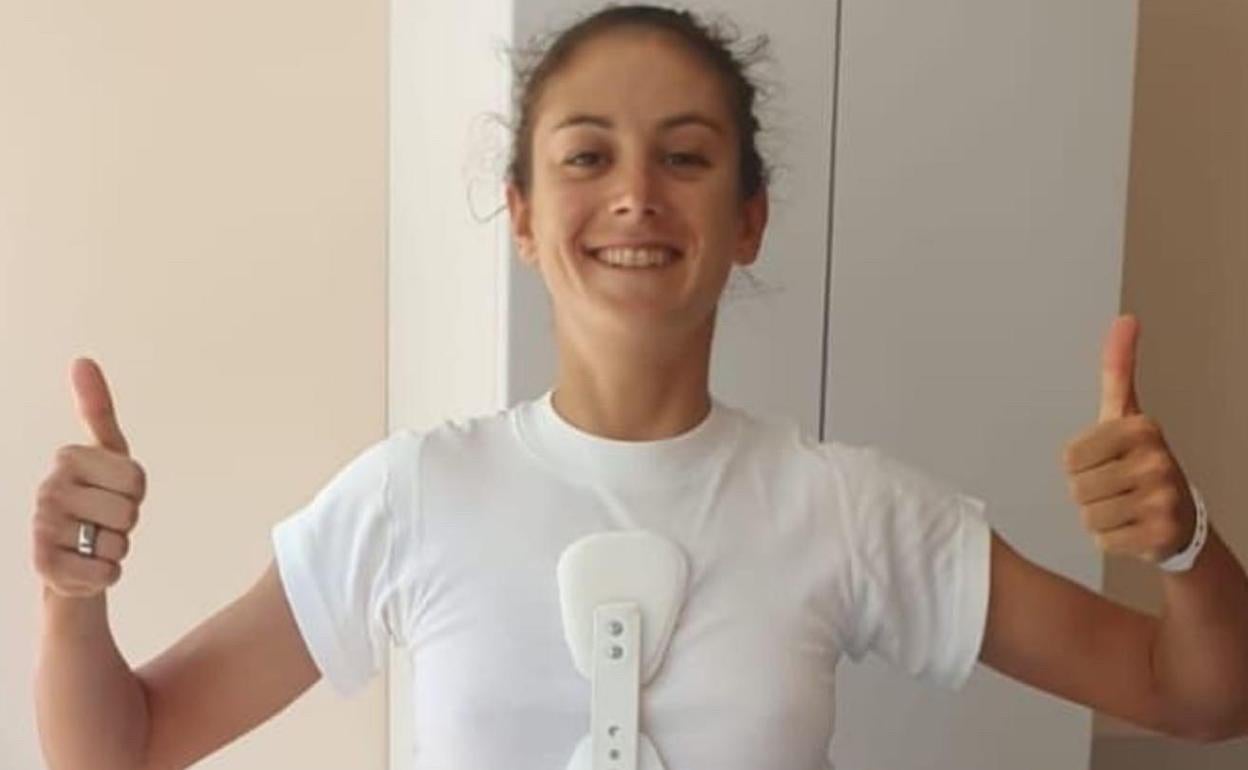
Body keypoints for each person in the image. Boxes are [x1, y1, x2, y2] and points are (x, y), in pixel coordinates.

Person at [31, 4, 1248, 770]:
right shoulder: (414, 495)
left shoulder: (846, 508)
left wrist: (1186, 545)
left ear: (749, 218)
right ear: (521, 215)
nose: (634, 194)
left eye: (685, 156)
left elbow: (1197, 698)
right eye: (587, 155)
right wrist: (70, 596)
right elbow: (115, 747)